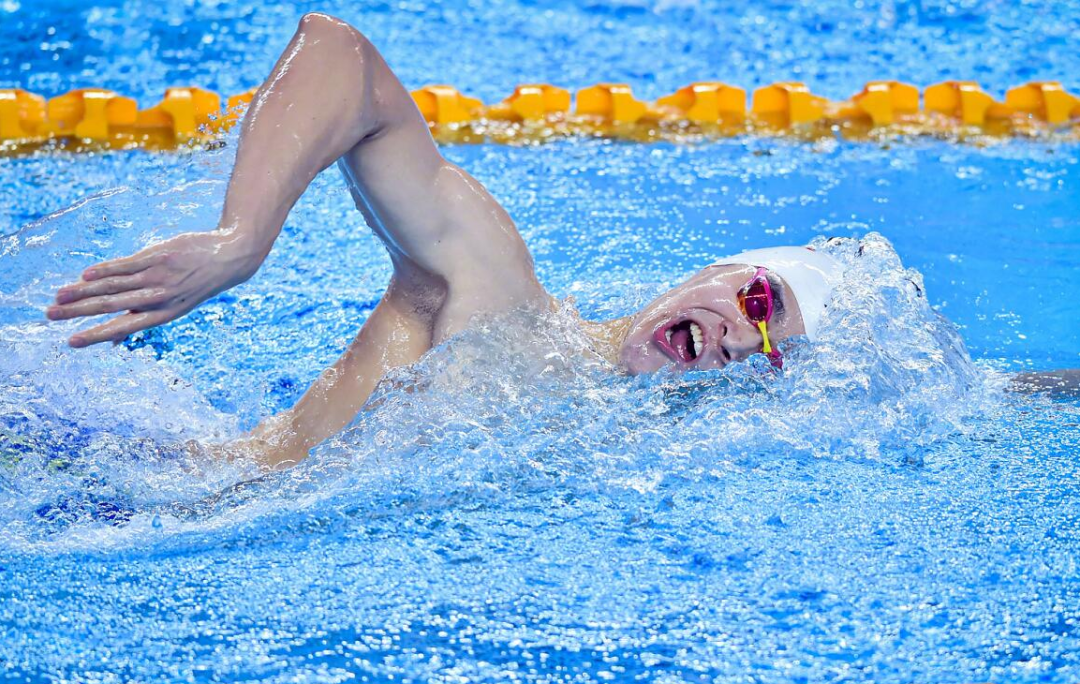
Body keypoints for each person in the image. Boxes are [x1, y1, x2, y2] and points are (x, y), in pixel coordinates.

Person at [44, 13, 1076, 470]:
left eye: (769, 347)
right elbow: (343, 58)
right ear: (716, 273)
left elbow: (971, 391)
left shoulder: (619, 435)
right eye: (757, 300)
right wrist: (242, 239)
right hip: (107, 470)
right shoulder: (500, 299)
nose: (735, 337)